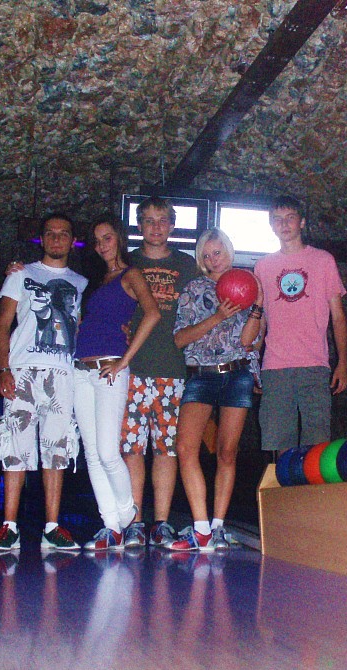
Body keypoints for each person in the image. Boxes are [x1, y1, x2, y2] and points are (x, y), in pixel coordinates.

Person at [0, 213, 88, 552]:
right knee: (15, 446)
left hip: (63, 374)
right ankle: (9, 527)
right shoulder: (21, 274)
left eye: (64, 233)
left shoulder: (80, 283)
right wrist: (4, 369)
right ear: (42, 239)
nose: (57, 238)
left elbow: (80, 328)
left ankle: (52, 527)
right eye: (51, 233)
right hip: (23, 370)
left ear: (72, 241)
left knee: (57, 449)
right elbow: (3, 324)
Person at [169, 229, 262, 552]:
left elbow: (249, 342)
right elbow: (180, 339)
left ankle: (218, 527)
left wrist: (257, 306)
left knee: (227, 452)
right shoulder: (194, 289)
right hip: (202, 376)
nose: (212, 260)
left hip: (237, 375)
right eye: (206, 256)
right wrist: (218, 316)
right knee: (185, 447)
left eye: (217, 253)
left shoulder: (248, 285)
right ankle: (201, 529)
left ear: (229, 251)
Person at [73, 217, 161, 551]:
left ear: (120, 239)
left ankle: (127, 514)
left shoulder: (131, 274)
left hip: (109, 369)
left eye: (107, 238)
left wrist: (124, 360)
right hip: (81, 369)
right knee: (92, 454)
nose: (101, 246)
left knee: (109, 452)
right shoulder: (95, 281)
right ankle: (111, 526)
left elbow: (153, 313)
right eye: (97, 241)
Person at [120, 197, 200, 549]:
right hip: (131, 368)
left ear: (172, 225)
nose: (155, 227)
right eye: (148, 220)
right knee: (132, 448)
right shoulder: (126, 262)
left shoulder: (187, 265)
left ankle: (162, 523)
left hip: (173, 368)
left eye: (162, 220)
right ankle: (135, 522)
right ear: (139, 225)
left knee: (166, 449)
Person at [253, 195, 347, 455]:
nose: (284, 225)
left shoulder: (323, 260)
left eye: (290, 218)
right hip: (275, 366)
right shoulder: (262, 266)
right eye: (277, 220)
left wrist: (342, 362)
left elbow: (338, 316)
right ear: (271, 225)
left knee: (316, 446)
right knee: (279, 445)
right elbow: (260, 319)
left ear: (302, 222)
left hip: (314, 364)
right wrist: (253, 363)